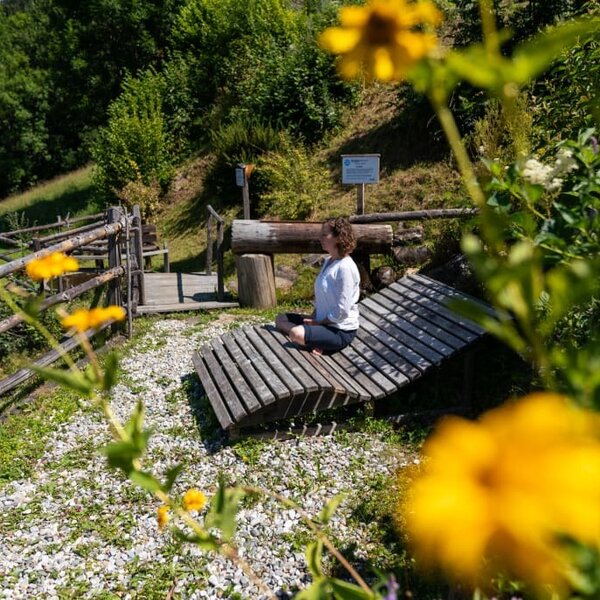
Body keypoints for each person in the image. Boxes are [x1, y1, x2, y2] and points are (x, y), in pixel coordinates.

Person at [275, 217, 360, 355]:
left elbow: (342, 311)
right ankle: (315, 339)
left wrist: (319, 324)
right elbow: (322, 297)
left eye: (324, 234)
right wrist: (314, 318)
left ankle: (319, 341)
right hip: (322, 321)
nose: (320, 237)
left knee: (296, 333)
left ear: (339, 238)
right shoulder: (328, 261)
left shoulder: (345, 267)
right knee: (280, 319)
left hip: (339, 330)